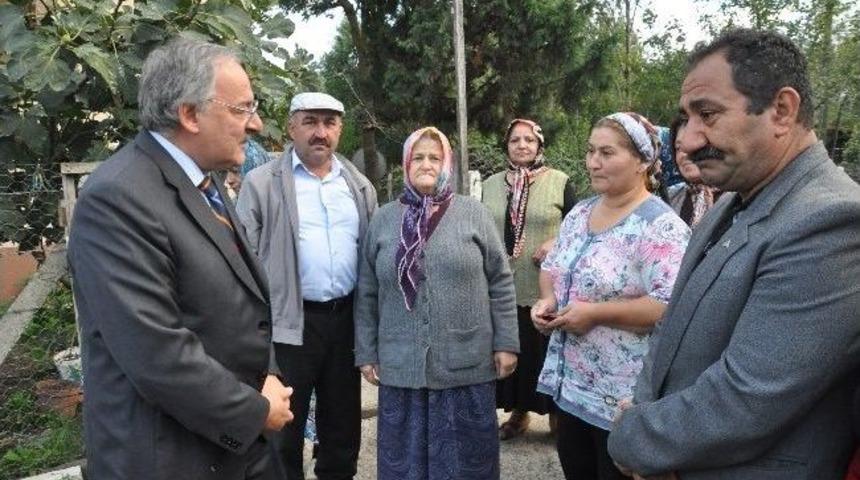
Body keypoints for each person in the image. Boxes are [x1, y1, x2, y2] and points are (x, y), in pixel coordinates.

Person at [608, 29, 860, 480]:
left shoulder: (833, 221)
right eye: (686, 119)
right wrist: (648, 419)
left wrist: (636, 438)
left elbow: (749, 396)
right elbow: (671, 327)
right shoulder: (732, 200)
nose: (686, 140)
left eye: (708, 114)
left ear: (782, 110)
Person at [67, 38, 293, 479]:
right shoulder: (117, 197)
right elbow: (157, 353)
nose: (257, 124)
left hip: (235, 449)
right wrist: (254, 411)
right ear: (190, 114)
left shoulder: (203, 184)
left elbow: (244, 309)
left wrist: (267, 385)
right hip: (175, 460)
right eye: (242, 109)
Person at [531, 112, 690, 480]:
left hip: (622, 400)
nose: (593, 162)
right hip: (571, 391)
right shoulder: (579, 213)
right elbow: (552, 269)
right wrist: (547, 302)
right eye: (590, 151)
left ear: (643, 161)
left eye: (607, 152)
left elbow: (670, 305)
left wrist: (596, 313)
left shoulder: (659, 226)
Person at [354, 126, 519, 479]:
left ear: (448, 163)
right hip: (402, 365)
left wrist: (506, 342)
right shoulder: (383, 219)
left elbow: (501, 281)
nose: (426, 164)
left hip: (465, 364)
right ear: (405, 164)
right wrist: (366, 352)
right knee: (405, 464)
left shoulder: (473, 214)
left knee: (467, 464)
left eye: (435, 157)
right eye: (418, 157)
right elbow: (367, 290)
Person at [236, 92, 377, 480]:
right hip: (288, 324)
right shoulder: (262, 183)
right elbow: (242, 260)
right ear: (291, 127)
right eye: (311, 122)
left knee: (342, 423)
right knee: (283, 426)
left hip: (343, 320)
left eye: (329, 123)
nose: (321, 132)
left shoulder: (359, 186)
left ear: (340, 130)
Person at [481, 118, 576, 439]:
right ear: (506, 146)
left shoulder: (560, 181)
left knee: (545, 352)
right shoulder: (492, 184)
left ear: (540, 146)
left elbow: (581, 226)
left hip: (546, 288)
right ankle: (519, 414)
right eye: (514, 140)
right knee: (513, 349)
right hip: (503, 285)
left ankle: (556, 419)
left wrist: (556, 241)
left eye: (529, 140)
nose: (522, 146)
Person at [664, 118, 723, 227]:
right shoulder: (669, 198)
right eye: (678, 148)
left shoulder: (738, 196)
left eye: (694, 144)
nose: (684, 154)